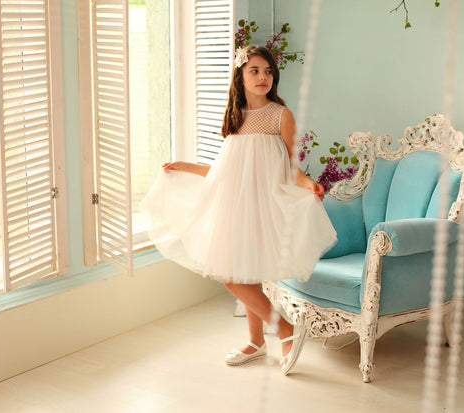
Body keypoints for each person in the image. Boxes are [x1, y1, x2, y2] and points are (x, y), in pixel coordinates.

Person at [142, 45, 337, 375]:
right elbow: (225, 169)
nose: (263, 77)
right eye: (255, 71)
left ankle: (286, 330)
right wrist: (185, 167)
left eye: (268, 72)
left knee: (234, 275)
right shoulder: (235, 117)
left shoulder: (279, 115)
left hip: (264, 204)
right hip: (235, 204)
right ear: (240, 76)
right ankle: (256, 341)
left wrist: (308, 184)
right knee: (243, 272)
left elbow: (293, 166)